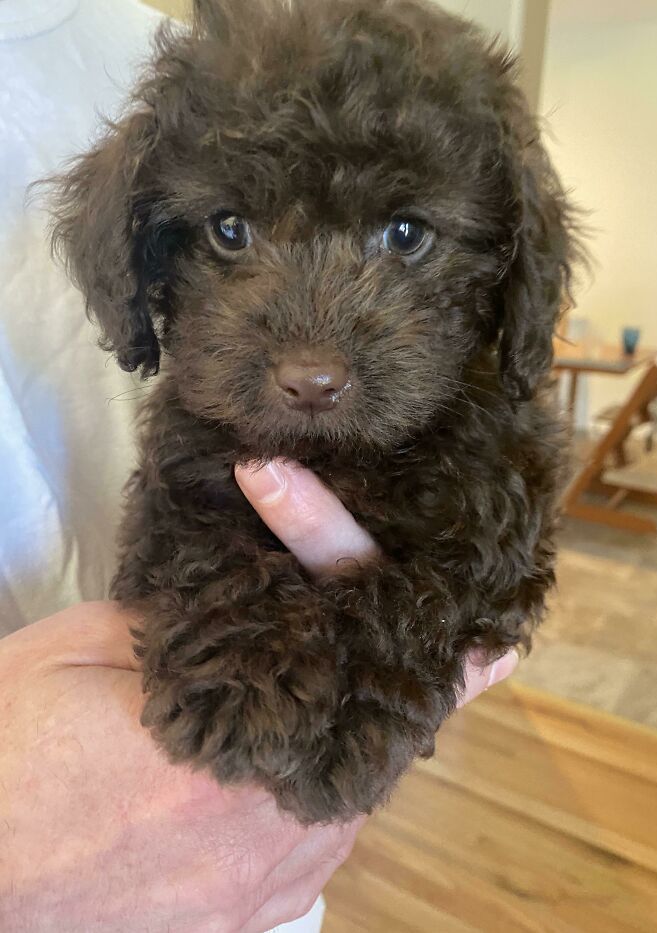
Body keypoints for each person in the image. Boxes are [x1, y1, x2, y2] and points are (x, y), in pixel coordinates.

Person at [0, 2, 517, 930]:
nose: (313, 358)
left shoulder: (136, 47)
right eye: (233, 232)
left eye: (403, 236)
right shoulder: (168, 130)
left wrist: (392, 659)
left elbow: (499, 576)